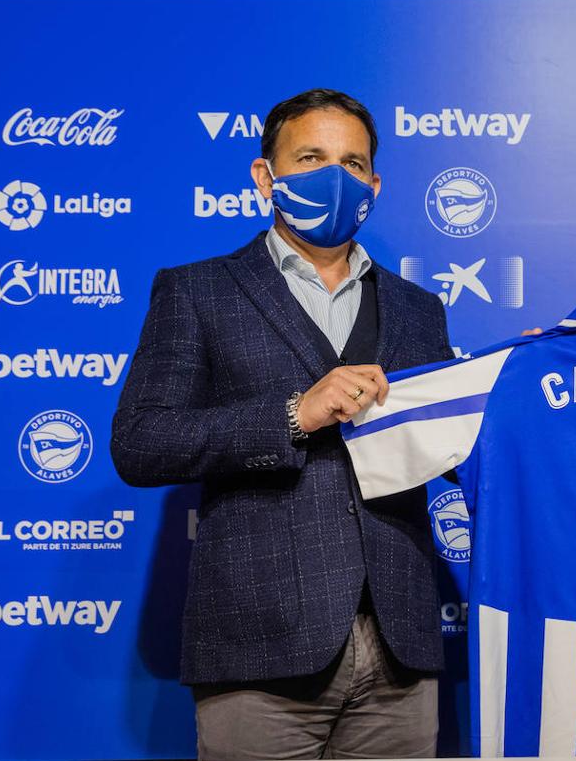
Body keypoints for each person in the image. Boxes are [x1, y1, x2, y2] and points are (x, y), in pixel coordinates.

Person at [112, 88, 451, 760]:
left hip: (400, 649)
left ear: (374, 184)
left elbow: (451, 440)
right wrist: (293, 415)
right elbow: (139, 443)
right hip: (259, 650)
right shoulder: (198, 290)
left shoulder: (420, 309)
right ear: (265, 176)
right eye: (311, 157)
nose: (335, 176)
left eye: (353, 163)